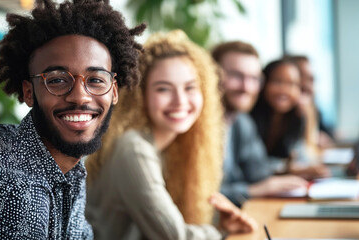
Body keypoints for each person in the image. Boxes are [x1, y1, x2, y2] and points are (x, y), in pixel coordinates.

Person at [0, 0, 145, 238]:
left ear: (114, 91)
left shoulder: (64, 165)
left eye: (96, 80)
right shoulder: (12, 189)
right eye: (57, 80)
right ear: (29, 92)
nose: (80, 96)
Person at [85, 30, 257, 239]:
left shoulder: (167, 148)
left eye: (190, 87)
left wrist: (221, 225)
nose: (180, 101)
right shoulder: (133, 148)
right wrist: (219, 232)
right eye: (163, 89)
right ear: (141, 95)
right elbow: (176, 237)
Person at [211, 41, 307, 206]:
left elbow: (259, 173)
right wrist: (254, 190)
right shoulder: (196, 127)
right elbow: (200, 193)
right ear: (211, 75)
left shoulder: (242, 121)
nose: (246, 87)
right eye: (236, 75)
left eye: (254, 78)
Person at [250, 59, 330, 180]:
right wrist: (286, 169)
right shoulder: (248, 119)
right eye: (277, 82)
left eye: (292, 84)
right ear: (263, 83)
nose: (285, 90)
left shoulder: (295, 116)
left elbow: (302, 157)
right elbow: (253, 166)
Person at [284, 55, 335, 148]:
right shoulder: (283, 110)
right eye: (304, 76)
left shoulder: (312, 106)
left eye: (311, 77)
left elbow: (327, 131)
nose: (311, 81)